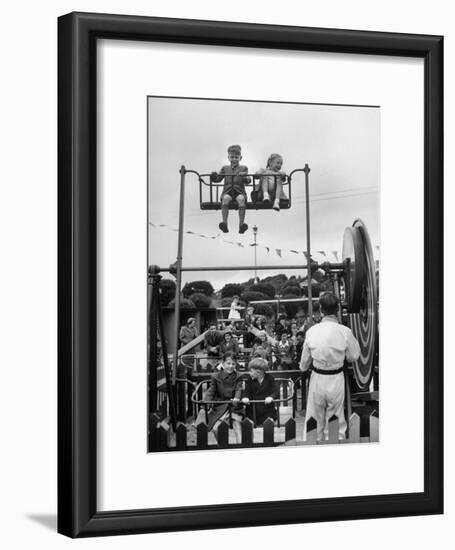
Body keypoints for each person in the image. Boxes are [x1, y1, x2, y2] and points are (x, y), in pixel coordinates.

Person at [299, 292, 360, 441]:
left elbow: (304, 364)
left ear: (320, 309)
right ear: (338, 309)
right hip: (336, 377)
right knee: (335, 418)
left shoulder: (311, 331)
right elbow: (354, 356)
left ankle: (312, 445)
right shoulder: (345, 332)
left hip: (317, 378)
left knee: (313, 418)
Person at [195, 352, 244, 441]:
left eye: (233, 364)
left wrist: (237, 398)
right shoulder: (216, 376)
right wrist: (205, 405)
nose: (231, 366)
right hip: (220, 406)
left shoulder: (238, 376)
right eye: (228, 363)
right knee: (216, 428)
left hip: (233, 406)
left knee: (236, 423)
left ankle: (240, 446)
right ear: (223, 363)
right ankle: (223, 446)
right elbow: (211, 392)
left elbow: (238, 388)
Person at [211, 144, 250, 234]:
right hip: (228, 190)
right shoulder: (225, 168)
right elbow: (218, 179)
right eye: (232, 157)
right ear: (228, 157)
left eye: (236, 157)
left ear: (240, 158)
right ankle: (224, 223)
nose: (234, 159)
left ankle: (241, 225)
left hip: (239, 190)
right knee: (225, 199)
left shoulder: (243, 168)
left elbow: (248, 179)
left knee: (241, 199)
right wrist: (214, 177)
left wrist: (245, 177)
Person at [242, 358, 279, 426]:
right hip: (253, 410)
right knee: (248, 424)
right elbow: (247, 391)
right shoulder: (250, 380)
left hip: (267, 409)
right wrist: (245, 397)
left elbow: (276, 392)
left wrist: (271, 397)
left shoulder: (270, 379)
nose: (249, 373)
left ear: (259, 372)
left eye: (251, 371)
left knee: (268, 424)